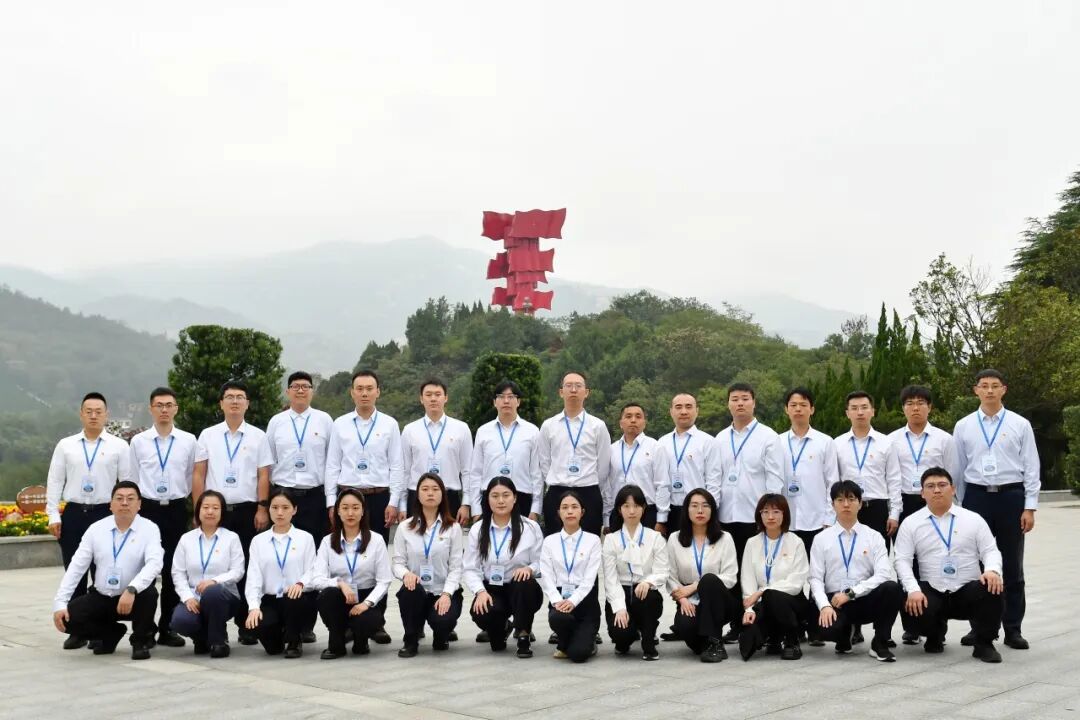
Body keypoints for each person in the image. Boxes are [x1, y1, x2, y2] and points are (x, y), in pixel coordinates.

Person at [953, 368, 1040, 650]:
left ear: (1004, 389)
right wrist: (960, 507)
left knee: (1012, 566)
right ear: (975, 390)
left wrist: (1030, 507)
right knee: (975, 565)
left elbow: (1031, 466)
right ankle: (980, 627)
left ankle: (1013, 628)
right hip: (977, 496)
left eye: (994, 385)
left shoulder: (1020, 424)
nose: (989, 390)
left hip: (1010, 497)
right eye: (984, 385)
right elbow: (958, 469)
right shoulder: (964, 426)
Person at [46, 392, 133, 650]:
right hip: (74, 513)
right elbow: (54, 481)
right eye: (89, 411)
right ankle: (77, 629)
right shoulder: (66, 445)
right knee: (75, 571)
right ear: (81, 414)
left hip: (105, 513)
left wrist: (127, 516)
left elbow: (127, 483)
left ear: (107, 415)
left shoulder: (119, 446)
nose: (94, 415)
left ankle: (100, 629)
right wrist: (53, 514)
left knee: (102, 572)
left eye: (99, 411)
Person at [324, 369, 403, 645]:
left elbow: (397, 465)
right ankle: (344, 619)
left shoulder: (390, 424)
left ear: (378, 391)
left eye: (370, 388)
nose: (365, 393)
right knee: (346, 552)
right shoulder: (340, 424)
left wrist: (394, 501)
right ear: (352, 392)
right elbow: (332, 464)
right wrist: (331, 502)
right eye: (360, 388)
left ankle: (376, 621)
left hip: (378, 496)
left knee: (376, 556)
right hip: (347, 496)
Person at [895, 467, 1005, 663]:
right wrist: (913, 589)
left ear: (953, 489)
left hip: (966, 589)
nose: (937, 490)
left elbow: (990, 550)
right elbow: (902, 560)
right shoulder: (911, 523)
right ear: (922, 493)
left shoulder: (973, 519)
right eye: (930, 486)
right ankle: (934, 634)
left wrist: (992, 570)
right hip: (932, 590)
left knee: (993, 587)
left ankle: (984, 643)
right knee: (907, 595)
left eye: (942, 485)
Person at [193, 380, 274, 644]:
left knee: (248, 566)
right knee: (213, 563)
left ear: (247, 403)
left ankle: (245, 624)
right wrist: (198, 510)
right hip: (215, 511)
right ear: (221, 403)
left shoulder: (258, 436)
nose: (235, 401)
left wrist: (262, 507)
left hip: (247, 510)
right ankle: (211, 624)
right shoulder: (208, 435)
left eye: (240, 397)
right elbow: (199, 474)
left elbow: (264, 475)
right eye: (230, 397)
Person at [52, 481, 162, 660]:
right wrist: (60, 603)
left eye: (130, 499)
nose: (124, 503)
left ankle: (140, 641)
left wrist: (132, 589)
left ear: (139, 504)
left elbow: (154, 564)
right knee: (66, 618)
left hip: (134, 597)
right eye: (119, 498)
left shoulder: (150, 529)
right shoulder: (96, 529)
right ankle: (110, 633)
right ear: (110, 504)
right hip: (103, 595)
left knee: (149, 594)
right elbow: (76, 567)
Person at [129, 386, 204, 648]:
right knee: (145, 569)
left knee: (174, 570)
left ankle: (167, 628)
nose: (164, 410)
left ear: (176, 409)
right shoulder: (139, 442)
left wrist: (194, 510)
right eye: (159, 405)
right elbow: (133, 478)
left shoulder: (188, 440)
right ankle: (144, 630)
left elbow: (192, 477)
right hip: (147, 510)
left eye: (169, 405)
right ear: (151, 409)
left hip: (175, 509)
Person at [886, 384, 959, 645]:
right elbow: (890, 478)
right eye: (910, 403)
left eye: (920, 403)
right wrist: (894, 512)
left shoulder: (944, 439)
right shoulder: (892, 440)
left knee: (934, 562)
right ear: (903, 408)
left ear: (930, 407)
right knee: (906, 563)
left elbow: (952, 475)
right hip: (905, 503)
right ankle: (911, 626)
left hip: (935, 502)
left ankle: (937, 623)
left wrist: (954, 508)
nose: (915, 408)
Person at [715, 382, 784, 642]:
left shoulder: (768, 437)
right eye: (735, 399)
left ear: (754, 403)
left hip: (755, 518)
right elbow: (715, 478)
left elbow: (775, 479)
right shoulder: (720, 439)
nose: (740, 403)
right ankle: (736, 624)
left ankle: (762, 624)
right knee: (731, 574)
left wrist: (770, 515)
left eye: (745, 398)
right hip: (726, 517)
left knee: (756, 573)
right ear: (728, 404)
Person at [833, 390, 902, 646]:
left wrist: (894, 513)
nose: (860, 412)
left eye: (864, 407)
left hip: (877, 508)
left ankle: (883, 630)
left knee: (877, 566)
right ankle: (854, 625)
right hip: (849, 508)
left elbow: (894, 480)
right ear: (847, 413)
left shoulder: (886, 443)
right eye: (854, 407)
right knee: (851, 563)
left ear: (873, 411)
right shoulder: (837, 444)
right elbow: (833, 481)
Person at [809, 481, 903, 662]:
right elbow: (815, 579)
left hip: (862, 598)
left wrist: (851, 593)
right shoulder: (821, 539)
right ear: (832, 505)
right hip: (835, 601)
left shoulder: (874, 536)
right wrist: (824, 606)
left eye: (851, 499)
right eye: (840, 500)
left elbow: (883, 574)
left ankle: (880, 642)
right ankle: (843, 635)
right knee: (827, 629)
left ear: (860, 504)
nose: (846, 504)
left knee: (892, 588)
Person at [464, 477, 545, 658]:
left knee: (524, 584)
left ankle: (523, 633)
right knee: (485, 621)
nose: (501, 501)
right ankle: (503, 627)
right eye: (495, 496)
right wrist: (480, 592)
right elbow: (470, 568)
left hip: (521, 588)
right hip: (492, 589)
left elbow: (542, 562)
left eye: (506, 495)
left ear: (515, 498)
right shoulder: (478, 529)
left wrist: (530, 569)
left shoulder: (530, 528)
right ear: (487, 499)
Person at [311, 488, 392, 658]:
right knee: (327, 596)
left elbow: (384, 581)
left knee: (366, 621)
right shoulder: (327, 541)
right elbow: (317, 579)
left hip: (367, 596)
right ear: (337, 511)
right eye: (345, 508)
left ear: (363, 511)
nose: (350, 513)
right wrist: (340, 583)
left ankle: (361, 640)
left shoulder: (376, 540)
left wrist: (366, 603)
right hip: (341, 595)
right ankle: (336, 643)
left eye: (355, 508)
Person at [392, 473, 464, 657]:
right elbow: (397, 563)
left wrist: (447, 594)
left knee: (442, 623)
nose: (430, 493)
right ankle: (411, 639)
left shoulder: (453, 528)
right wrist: (406, 574)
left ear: (442, 495)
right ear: (417, 495)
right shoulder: (405, 527)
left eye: (435, 489)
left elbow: (456, 567)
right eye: (425, 489)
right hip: (416, 591)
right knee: (409, 591)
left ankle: (442, 634)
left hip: (442, 591)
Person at [169, 490, 246, 657]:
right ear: (198, 511)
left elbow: (238, 571)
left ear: (222, 512)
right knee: (179, 621)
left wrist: (214, 581)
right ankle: (202, 638)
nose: (210, 511)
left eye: (215, 508)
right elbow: (178, 573)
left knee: (212, 592)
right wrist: (187, 598)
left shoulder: (231, 538)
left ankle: (218, 642)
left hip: (224, 596)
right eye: (205, 507)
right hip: (194, 597)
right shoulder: (186, 539)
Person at [666, 488, 739, 663]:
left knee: (709, 580)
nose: (700, 511)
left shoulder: (725, 538)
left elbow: (730, 576)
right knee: (689, 632)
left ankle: (715, 641)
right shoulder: (675, 539)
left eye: (705, 506)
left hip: (719, 599)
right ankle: (710, 642)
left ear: (712, 510)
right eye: (694, 506)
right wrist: (682, 599)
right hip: (689, 600)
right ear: (686, 510)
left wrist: (695, 586)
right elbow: (670, 576)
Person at [244, 488, 318, 658]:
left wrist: (300, 584)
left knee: (293, 598)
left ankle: (294, 640)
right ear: (268, 509)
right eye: (275, 507)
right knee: (271, 647)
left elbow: (312, 570)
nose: (279, 513)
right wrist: (253, 607)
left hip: (297, 598)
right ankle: (281, 635)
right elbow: (254, 577)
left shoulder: (305, 538)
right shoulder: (258, 541)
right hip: (270, 599)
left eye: (285, 508)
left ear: (295, 510)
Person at [537, 372, 612, 536]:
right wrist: (558, 479)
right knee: (555, 543)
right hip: (557, 492)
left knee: (589, 543)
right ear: (561, 392)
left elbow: (603, 465)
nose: (573, 390)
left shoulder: (598, 426)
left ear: (586, 392)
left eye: (578, 386)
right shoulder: (548, 426)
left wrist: (587, 481)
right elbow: (544, 462)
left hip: (588, 493)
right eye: (568, 385)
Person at [737, 494, 809, 661]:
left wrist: (763, 591)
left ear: (785, 515)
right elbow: (748, 579)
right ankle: (774, 637)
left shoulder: (796, 542)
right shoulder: (752, 543)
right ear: (759, 515)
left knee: (774, 596)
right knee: (747, 643)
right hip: (763, 604)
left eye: (776, 511)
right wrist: (749, 610)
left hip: (791, 602)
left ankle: (792, 640)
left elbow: (796, 583)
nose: (770, 517)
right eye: (765, 512)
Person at [265, 371, 334, 541]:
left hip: (315, 496)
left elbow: (332, 460)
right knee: (282, 543)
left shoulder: (324, 420)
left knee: (315, 544)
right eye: (295, 387)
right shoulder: (276, 421)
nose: (300, 390)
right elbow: (268, 459)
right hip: (283, 495)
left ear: (312, 391)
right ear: (288, 391)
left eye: (305, 387)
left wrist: (331, 500)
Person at [602, 484, 667, 660]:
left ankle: (648, 639)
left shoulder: (655, 537)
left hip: (644, 591)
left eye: (636, 506)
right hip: (621, 590)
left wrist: (648, 581)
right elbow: (610, 579)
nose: (632, 511)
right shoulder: (611, 539)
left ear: (643, 508)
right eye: (626, 506)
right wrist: (619, 608)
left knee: (649, 597)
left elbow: (662, 571)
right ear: (619, 509)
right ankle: (627, 637)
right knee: (621, 635)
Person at [539, 491, 603, 662]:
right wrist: (557, 601)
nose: (569, 511)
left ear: (582, 512)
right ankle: (565, 640)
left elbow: (590, 579)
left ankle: (585, 640)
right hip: (560, 600)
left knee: (579, 655)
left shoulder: (593, 540)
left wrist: (573, 601)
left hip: (585, 601)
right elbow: (546, 576)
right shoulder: (549, 541)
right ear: (559, 512)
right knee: (558, 617)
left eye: (574, 507)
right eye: (565, 507)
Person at [400, 378, 474, 524]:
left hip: (449, 497)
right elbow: (405, 470)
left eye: (438, 394)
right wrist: (402, 504)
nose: (433, 398)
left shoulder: (461, 428)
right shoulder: (409, 430)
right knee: (416, 537)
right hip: (417, 497)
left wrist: (466, 503)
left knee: (449, 537)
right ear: (421, 399)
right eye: (428, 395)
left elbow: (468, 470)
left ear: (445, 398)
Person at [651, 393, 721, 536]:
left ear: (697, 411)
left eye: (689, 407)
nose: (683, 411)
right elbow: (661, 482)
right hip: (672, 511)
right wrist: (662, 518)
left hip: (699, 510)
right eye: (678, 407)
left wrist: (710, 511)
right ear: (671, 412)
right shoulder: (662, 443)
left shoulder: (708, 442)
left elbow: (713, 481)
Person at [469, 380, 542, 519]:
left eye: (511, 397)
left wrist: (535, 508)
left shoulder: (532, 431)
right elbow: (476, 472)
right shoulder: (483, 431)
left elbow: (536, 473)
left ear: (518, 402)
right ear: (494, 402)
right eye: (501, 397)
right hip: (490, 497)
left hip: (522, 497)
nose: (506, 401)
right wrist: (476, 509)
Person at [605, 403, 660, 529]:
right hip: (619, 511)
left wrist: (661, 518)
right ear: (621, 423)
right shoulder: (611, 450)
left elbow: (662, 484)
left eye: (638, 416)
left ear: (644, 423)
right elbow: (606, 486)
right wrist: (607, 516)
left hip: (647, 510)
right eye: (628, 416)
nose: (633, 420)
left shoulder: (655, 447)